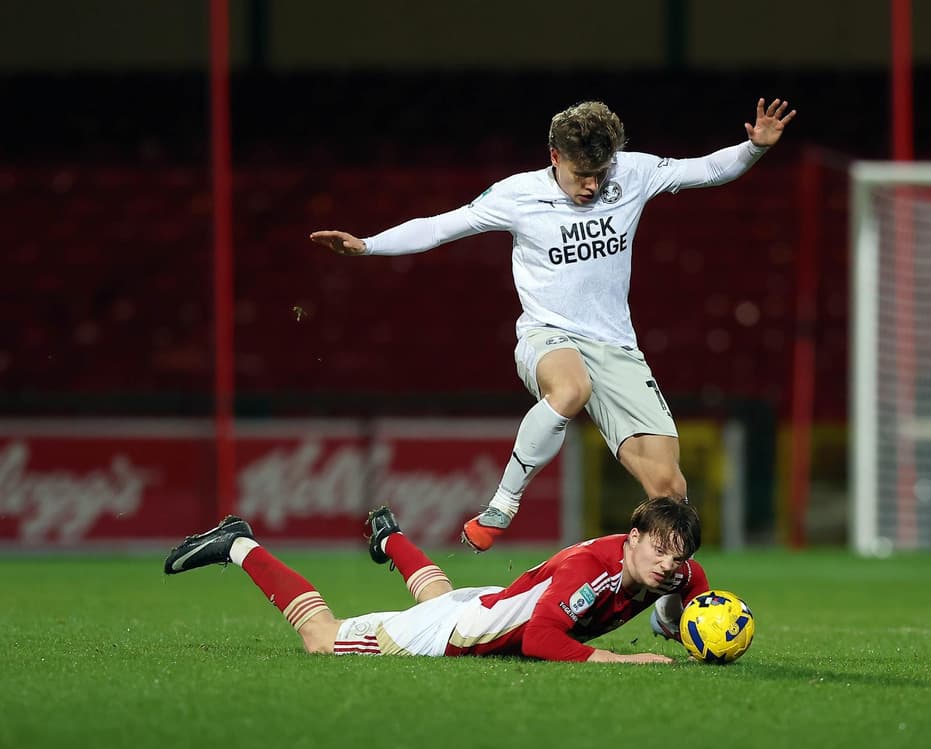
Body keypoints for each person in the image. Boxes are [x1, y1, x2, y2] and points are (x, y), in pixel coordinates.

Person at [310, 98, 795, 552]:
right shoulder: (517, 194)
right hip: (548, 334)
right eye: (582, 174)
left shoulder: (633, 173)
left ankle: (668, 610)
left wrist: (754, 148)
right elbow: (441, 226)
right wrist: (367, 245)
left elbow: (708, 169)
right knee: (570, 388)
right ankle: (502, 506)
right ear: (554, 156)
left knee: (670, 490)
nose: (592, 185)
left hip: (617, 347)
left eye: (600, 174)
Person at [163, 496, 708, 663]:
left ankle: (387, 540)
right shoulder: (589, 573)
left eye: (676, 558)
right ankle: (237, 543)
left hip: (489, 607)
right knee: (322, 639)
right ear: (632, 536)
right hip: (456, 633)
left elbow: (697, 589)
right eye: (658, 550)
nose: (669, 566)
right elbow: (541, 640)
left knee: (441, 599)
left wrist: (695, 623)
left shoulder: (675, 568)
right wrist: (622, 659)